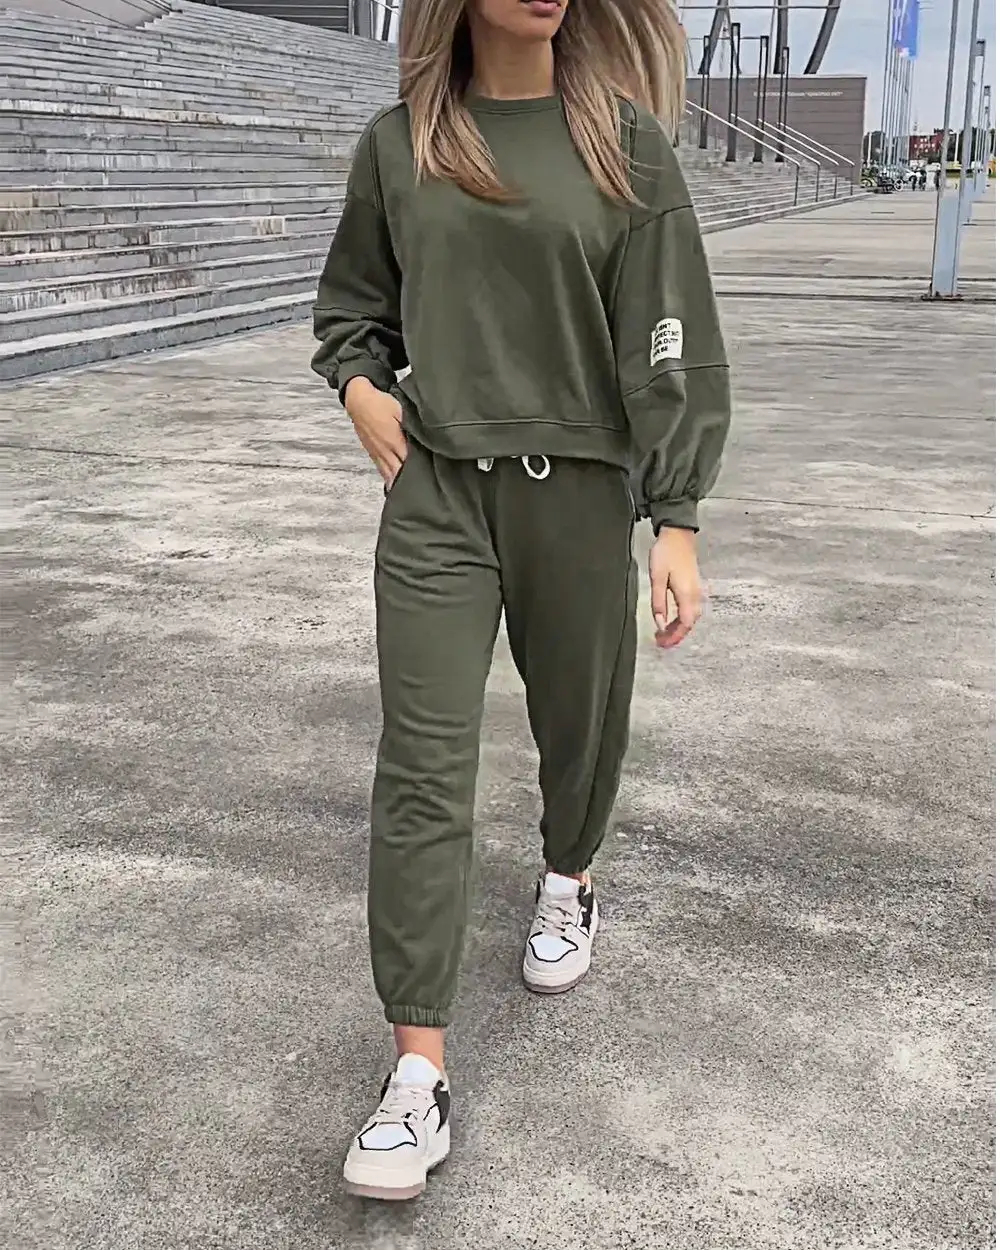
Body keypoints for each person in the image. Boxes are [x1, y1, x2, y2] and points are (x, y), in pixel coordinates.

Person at [311, 0, 730, 1201]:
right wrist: (360, 386)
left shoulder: (624, 144)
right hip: (440, 493)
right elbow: (353, 305)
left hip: (581, 492)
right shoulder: (400, 144)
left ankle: (569, 873)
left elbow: (671, 334)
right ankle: (417, 1072)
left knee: (578, 724)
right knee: (422, 765)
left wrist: (676, 514)